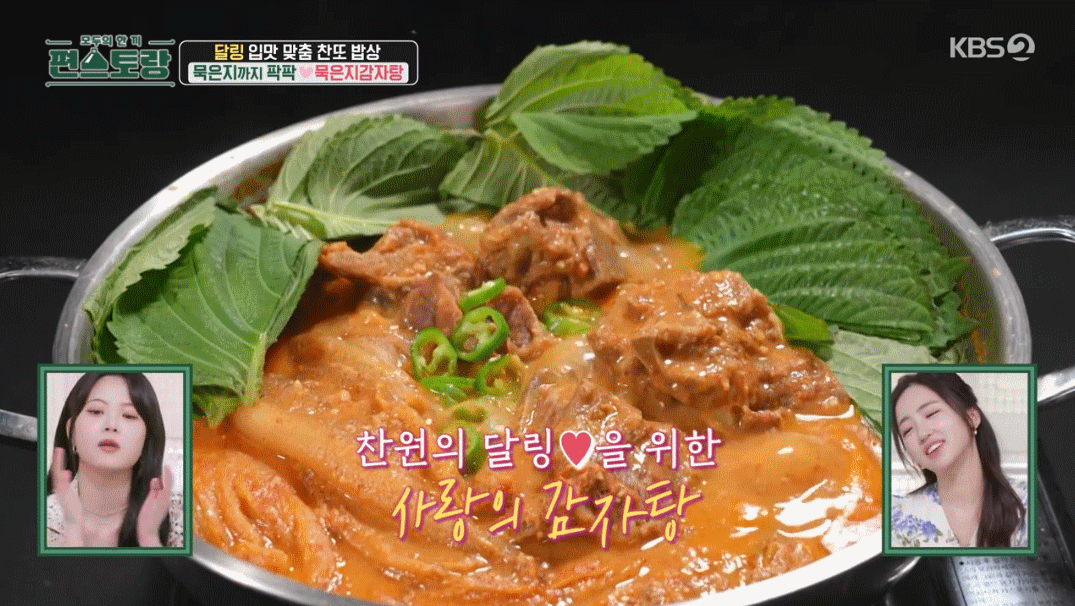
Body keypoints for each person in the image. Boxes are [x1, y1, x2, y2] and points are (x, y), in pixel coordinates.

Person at [889, 372, 1028, 548]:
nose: (922, 434)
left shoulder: (1027, 502)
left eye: (931, 413)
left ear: (972, 417)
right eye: (907, 430)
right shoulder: (896, 517)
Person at [47, 372, 183, 548]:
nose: (111, 425)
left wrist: (149, 537)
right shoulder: (43, 517)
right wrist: (73, 530)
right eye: (96, 411)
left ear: (147, 439)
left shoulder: (178, 514)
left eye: (129, 415)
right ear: (71, 431)